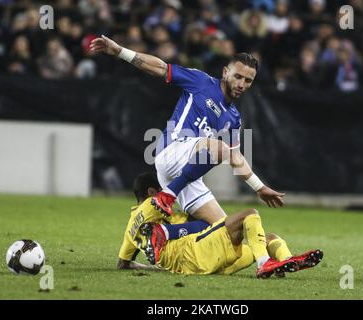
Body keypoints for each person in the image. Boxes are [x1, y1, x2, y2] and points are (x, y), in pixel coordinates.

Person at [90, 35, 286, 241]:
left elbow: (235, 157)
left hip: (187, 174)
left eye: (248, 81)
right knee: (220, 148)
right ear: (225, 72)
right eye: (238, 77)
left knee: (226, 232)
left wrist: (260, 188)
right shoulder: (201, 81)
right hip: (171, 152)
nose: (242, 84)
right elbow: (160, 68)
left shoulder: (234, 118)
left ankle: (162, 234)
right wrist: (121, 51)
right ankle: (168, 196)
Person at [117, 172, 323, 279]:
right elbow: (155, 205)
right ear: (153, 192)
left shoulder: (130, 229)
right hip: (192, 251)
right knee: (249, 215)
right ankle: (264, 264)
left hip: (204, 264)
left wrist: (155, 268)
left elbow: (123, 264)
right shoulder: (151, 204)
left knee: (268, 239)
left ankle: (284, 263)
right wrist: (166, 229)